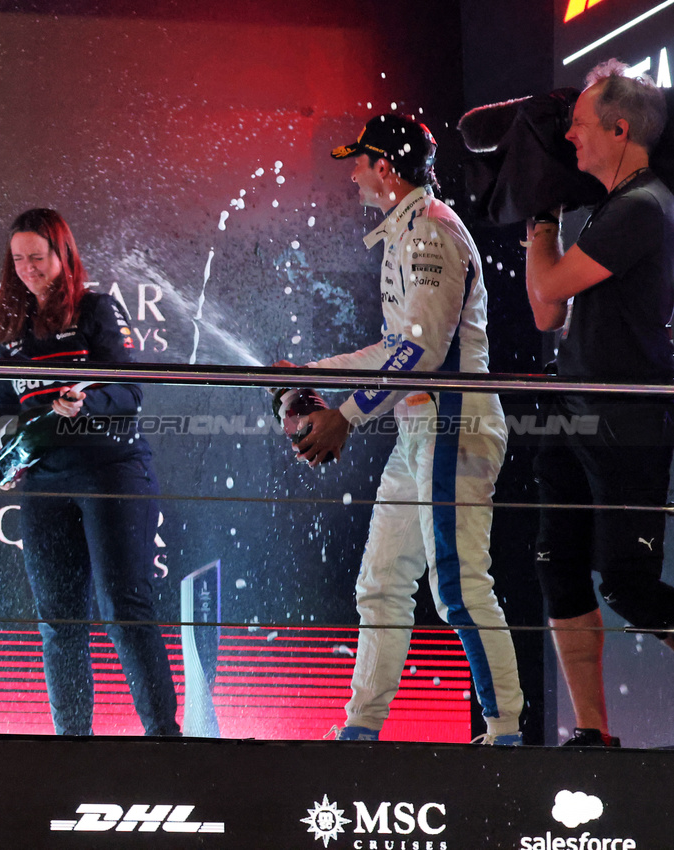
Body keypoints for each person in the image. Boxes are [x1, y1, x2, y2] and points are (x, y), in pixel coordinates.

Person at [281, 114, 524, 744]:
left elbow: (421, 352)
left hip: (451, 423)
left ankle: (505, 736)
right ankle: (361, 729)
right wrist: (310, 375)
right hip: (423, 424)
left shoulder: (429, 234)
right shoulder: (411, 229)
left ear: (385, 167)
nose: (354, 174)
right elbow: (400, 348)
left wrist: (344, 413)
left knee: (460, 586)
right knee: (382, 582)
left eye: (358, 162)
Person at [0, 208, 179, 736]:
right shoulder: (9, 326)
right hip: (45, 481)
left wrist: (84, 402)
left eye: (37, 258)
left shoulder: (94, 308)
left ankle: (165, 740)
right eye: (17, 259)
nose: (27, 269)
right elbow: (8, 412)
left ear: (62, 256)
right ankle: (72, 747)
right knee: (58, 621)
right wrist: (0, 453)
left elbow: (129, 392)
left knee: (124, 608)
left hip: (111, 470)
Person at [524, 59, 674, 748]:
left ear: (619, 130)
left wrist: (536, 217)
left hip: (623, 428)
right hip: (571, 413)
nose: (571, 141)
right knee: (558, 572)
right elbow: (545, 315)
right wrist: (544, 215)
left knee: (627, 585)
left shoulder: (642, 206)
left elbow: (548, 288)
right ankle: (591, 735)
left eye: (580, 128)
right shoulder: (613, 207)